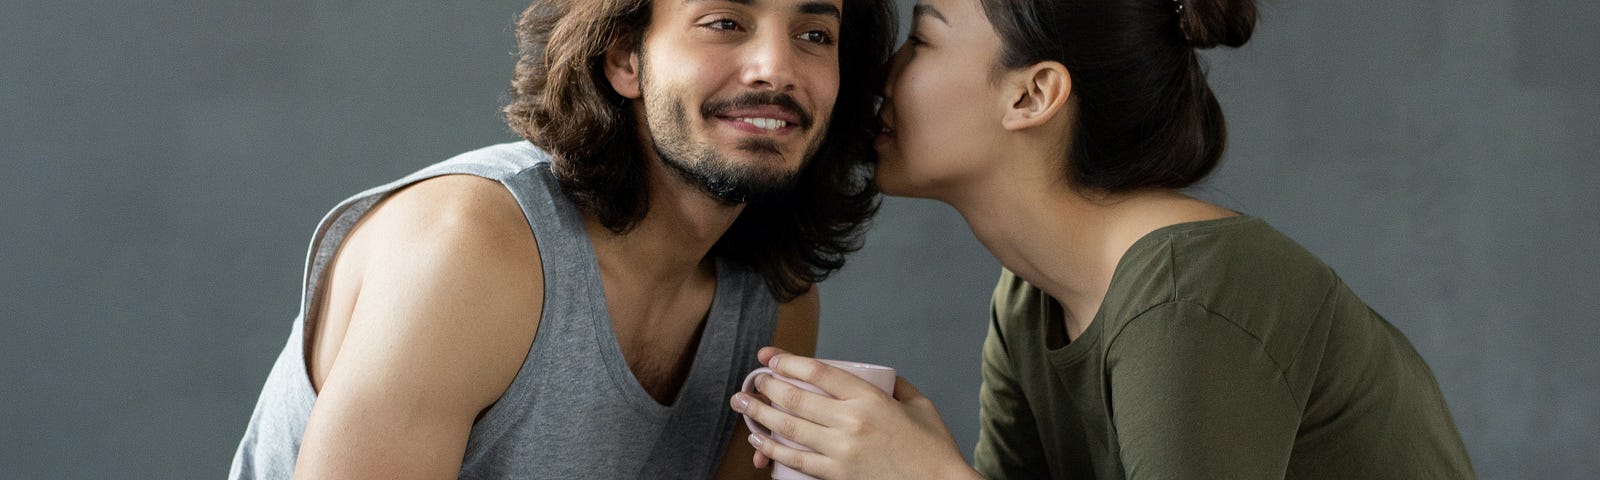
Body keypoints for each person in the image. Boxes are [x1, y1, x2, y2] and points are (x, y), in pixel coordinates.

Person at [730, 0, 1478, 477]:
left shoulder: (1190, 296)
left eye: (923, 40)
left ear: (1033, 94)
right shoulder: (1031, 301)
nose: (880, 78)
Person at [229, 0, 895, 476]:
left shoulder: (775, 303)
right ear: (624, 59)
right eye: (724, 23)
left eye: (813, 33)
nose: (776, 68)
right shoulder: (470, 246)